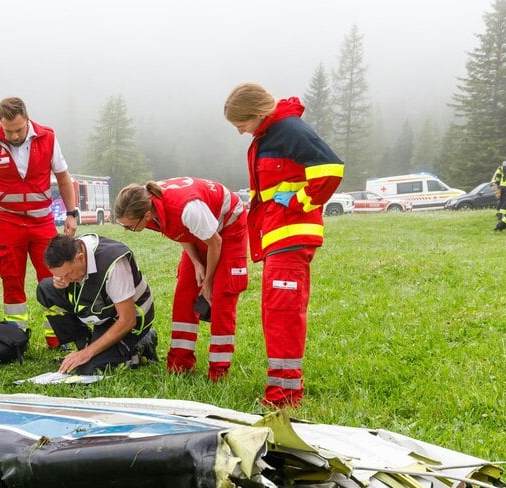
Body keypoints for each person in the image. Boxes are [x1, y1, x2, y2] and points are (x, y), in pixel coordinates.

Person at [224, 82, 344, 409]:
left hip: (291, 235)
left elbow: (331, 169)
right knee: (274, 312)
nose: (240, 132)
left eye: (241, 125)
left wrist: (300, 200)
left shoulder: (289, 130)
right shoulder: (270, 133)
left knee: (283, 314)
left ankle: (285, 397)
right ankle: (281, 390)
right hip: (278, 237)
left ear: (257, 114)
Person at [113, 177, 248, 382]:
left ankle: (218, 373)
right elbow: (178, 231)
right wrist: (196, 262)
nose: (129, 231)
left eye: (130, 227)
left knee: (220, 298)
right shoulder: (148, 203)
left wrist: (208, 282)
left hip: (227, 228)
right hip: (201, 231)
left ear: (147, 215)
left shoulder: (187, 209)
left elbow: (215, 242)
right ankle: (179, 365)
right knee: (184, 295)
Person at [0, 97, 78, 346]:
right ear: (0, 124)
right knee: (11, 279)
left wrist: (71, 213)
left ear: (27, 120)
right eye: (8, 131)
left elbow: (63, 177)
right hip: (8, 224)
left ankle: (58, 337)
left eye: (19, 129)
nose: (14, 135)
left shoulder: (48, 137)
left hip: (42, 224)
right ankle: (15, 339)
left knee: (54, 278)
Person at [36, 234, 157, 375]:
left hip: (130, 320)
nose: (66, 281)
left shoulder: (114, 264)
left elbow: (128, 320)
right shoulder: (74, 250)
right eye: (59, 276)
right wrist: (59, 281)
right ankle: (84, 345)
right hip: (104, 312)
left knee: (90, 370)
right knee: (46, 289)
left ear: (80, 257)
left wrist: (88, 353)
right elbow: (68, 279)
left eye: (68, 274)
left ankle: (142, 343)